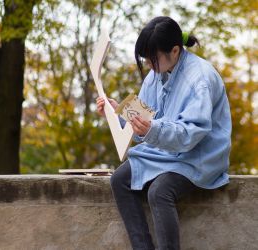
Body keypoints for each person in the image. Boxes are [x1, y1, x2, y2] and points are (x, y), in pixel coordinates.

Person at [96, 16, 231, 250]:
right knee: (119, 179)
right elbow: (146, 122)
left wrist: (152, 129)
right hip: (166, 152)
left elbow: (190, 135)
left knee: (159, 192)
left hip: (198, 157)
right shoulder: (155, 74)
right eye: (146, 59)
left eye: (153, 58)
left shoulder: (200, 79)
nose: (149, 64)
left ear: (176, 50)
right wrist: (117, 111)